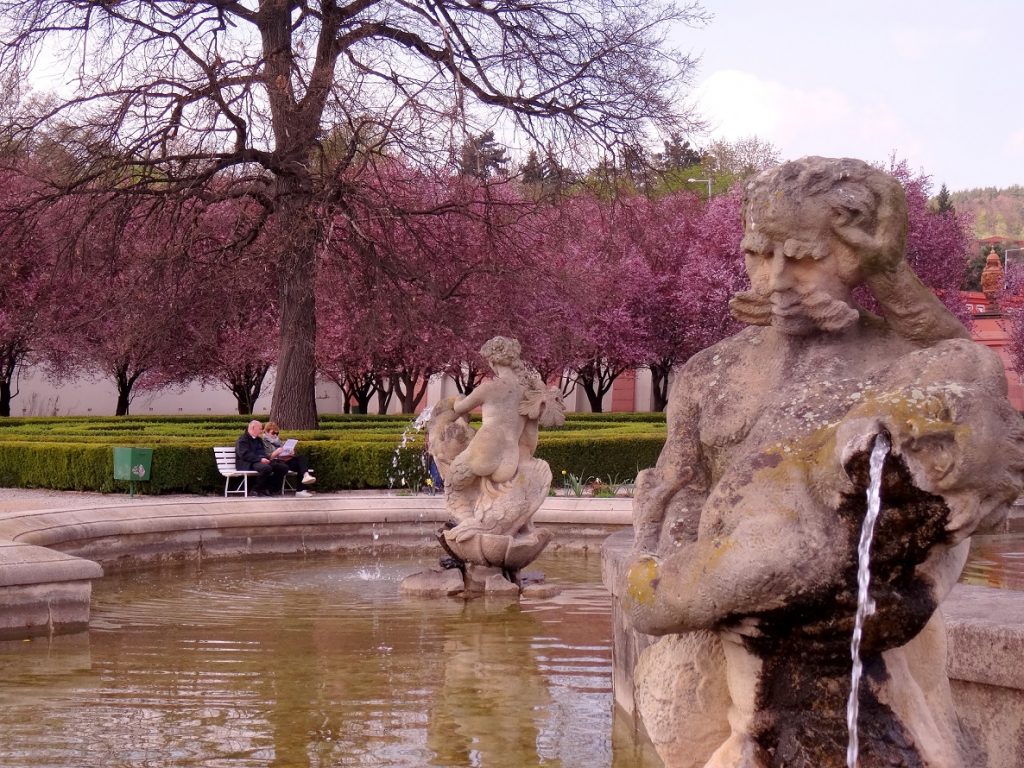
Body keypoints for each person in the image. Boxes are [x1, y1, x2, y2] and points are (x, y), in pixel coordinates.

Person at [622, 157, 1024, 768]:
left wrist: (893, 276)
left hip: (867, 646)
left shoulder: (898, 360)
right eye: (759, 253)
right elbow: (679, 489)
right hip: (723, 630)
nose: (777, 278)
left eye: (805, 257)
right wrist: (690, 564)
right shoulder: (709, 372)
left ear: (859, 257)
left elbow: (972, 377)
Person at [235, 419, 290, 497]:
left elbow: (262, 453)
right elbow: (244, 454)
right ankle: (255, 490)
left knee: (283, 467)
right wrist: (260, 459)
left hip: (259, 462)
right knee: (266, 468)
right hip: (247, 463)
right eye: (260, 429)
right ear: (253, 428)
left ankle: (269, 489)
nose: (261, 431)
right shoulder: (242, 440)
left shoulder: (258, 440)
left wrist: (267, 458)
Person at [262, 420, 316, 496]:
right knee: (296, 464)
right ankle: (301, 488)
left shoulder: (278, 441)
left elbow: (284, 453)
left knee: (301, 458)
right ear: (266, 432)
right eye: (273, 433)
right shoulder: (263, 442)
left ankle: (305, 477)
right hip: (275, 463)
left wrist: (291, 453)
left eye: (277, 433)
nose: (275, 435)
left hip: (284, 460)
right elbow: (267, 457)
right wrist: (276, 453)